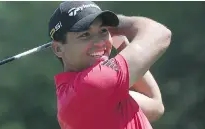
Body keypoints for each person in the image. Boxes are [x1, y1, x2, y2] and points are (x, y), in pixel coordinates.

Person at [48, 1, 171, 129]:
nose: (100, 42)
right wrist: (120, 23)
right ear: (58, 49)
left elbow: (155, 105)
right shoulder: (90, 86)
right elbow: (161, 33)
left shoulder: (83, 93)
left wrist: (122, 44)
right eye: (85, 35)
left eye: (103, 31)